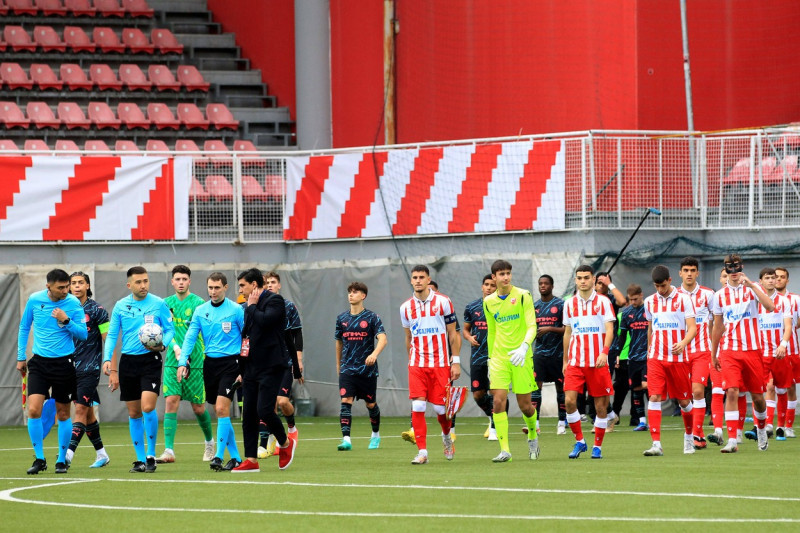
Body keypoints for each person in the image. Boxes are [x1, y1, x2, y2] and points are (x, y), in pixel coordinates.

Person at [102, 266, 175, 473]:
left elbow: (170, 330)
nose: (143, 285)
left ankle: (151, 455)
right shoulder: (120, 306)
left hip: (150, 360)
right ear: (129, 285)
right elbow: (112, 335)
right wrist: (108, 360)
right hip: (128, 362)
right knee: (134, 412)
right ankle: (140, 459)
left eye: (146, 281)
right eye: (138, 282)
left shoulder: (159, 303)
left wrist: (162, 345)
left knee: (148, 407)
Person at [18, 269, 88, 475]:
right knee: (33, 410)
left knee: (64, 413)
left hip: (64, 363)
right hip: (39, 363)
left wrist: (66, 321)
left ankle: (60, 460)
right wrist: (21, 356)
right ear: (48, 286)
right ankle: (40, 458)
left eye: (67, 286)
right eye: (61, 287)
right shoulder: (34, 300)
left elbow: (83, 334)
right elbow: (24, 328)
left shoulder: (73, 304)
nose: (66, 290)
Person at [177, 272, 245, 471]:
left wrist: (244, 367)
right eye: (210, 288)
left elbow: (246, 338)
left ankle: (217, 456)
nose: (213, 291)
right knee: (219, 411)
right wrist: (183, 362)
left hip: (232, 364)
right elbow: (190, 338)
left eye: (217, 287)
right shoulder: (200, 311)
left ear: (225, 287)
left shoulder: (236, 310)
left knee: (222, 410)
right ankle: (236, 457)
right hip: (210, 365)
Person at [234, 268, 297, 471]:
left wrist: (251, 306)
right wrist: (241, 368)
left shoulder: (274, 301)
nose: (240, 289)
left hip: (271, 366)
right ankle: (251, 460)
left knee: (264, 410)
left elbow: (265, 321)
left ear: (254, 285)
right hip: (251, 366)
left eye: (243, 285)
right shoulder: (247, 307)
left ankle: (286, 443)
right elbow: (248, 336)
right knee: (249, 414)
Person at [710, 254, 773, 453]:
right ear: (725, 270)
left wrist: (752, 286)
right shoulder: (719, 296)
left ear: (742, 268)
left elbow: (770, 307)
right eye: (729, 268)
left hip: (753, 350)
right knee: (731, 391)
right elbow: (717, 327)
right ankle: (732, 440)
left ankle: (761, 429)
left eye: (736, 268)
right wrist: (714, 353)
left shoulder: (753, 288)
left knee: (757, 398)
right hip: (729, 350)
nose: (734, 272)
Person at [399, 265, 460, 465]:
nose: (418, 280)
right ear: (411, 280)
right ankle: (422, 452)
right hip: (417, 364)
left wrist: (456, 361)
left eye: (421, 277)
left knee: (441, 410)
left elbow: (453, 333)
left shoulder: (443, 302)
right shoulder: (405, 307)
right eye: (414, 277)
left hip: (441, 363)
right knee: (417, 404)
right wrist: (411, 360)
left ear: (428, 279)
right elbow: (408, 337)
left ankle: (446, 437)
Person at [483, 260, 540, 462]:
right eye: (501, 274)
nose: (505, 277)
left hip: (522, 357)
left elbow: (532, 326)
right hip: (499, 358)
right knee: (498, 400)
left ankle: (533, 434)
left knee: (525, 405)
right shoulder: (488, 302)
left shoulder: (523, 295)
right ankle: (505, 450)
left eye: (508, 273)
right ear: (494, 277)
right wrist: (490, 359)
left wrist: (524, 347)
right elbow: (492, 331)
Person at [157, 265, 215, 464]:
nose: (181, 282)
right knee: (171, 401)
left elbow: (204, 332)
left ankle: (209, 442)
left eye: (184, 279)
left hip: (196, 362)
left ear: (189, 281)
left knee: (198, 408)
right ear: (172, 282)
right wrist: (174, 346)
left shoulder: (199, 304)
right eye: (177, 279)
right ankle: (169, 450)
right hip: (173, 361)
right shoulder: (166, 304)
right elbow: (165, 331)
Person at [641, 266, 697, 457]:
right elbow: (650, 328)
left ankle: (689, 437)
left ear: (670, 280)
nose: (660, 289)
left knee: (684, 401)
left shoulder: (684, 299)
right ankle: (656, 444)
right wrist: (649, 350)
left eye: (663, 285)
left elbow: (692, 328)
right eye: (657, 286)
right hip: (656, 357)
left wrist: (683, 343)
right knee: (655, 397)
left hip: (679, 358)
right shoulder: (649, 301)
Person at [562, 265, 615, 459]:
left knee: (600, 407)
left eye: (586, 277)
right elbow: (568, 333)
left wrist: (604, 352)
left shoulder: (603, 302)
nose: (583, 281)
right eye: (579, 278)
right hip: (576, 362)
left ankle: (597, 447)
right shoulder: (569, 304)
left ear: (593, 279)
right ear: (575, 280)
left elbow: (610, 330)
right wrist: (565, 360)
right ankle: (579, 442)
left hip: (598, 363)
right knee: (569, 401)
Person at [335, 281, 388, 450]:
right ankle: (346, 440)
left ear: (363, 296)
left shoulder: (372, 317)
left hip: (367, 370)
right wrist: (339, 365)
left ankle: (375, 435)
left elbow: (383, 339)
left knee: (370, 404)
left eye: (355, 292)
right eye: (350, 292)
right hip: (347, 368)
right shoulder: (341, 318)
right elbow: (338, 343)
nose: (351, 294)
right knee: (345, 400)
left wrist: (374, 354)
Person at [65, 272, 111, 468]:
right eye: (73, 283)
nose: (76, 286)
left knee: (80, 410)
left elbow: (107, 338)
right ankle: (102, 454)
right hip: (67, 368)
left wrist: (110, 364)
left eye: (80, 282)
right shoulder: (62, 309)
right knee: (89, 414)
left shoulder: (97, 310)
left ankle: (66, 457)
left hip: (90, 368)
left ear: (87, 285)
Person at [257, 271, 303, 458]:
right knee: (268, 404)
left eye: (273, 282)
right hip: (265, 362)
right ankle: (267, 442)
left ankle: (291, 428)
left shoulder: (288, 307)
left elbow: (297, 334)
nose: (269, 285)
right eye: (266, 282)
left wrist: (298, 361)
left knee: (282, 401)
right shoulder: (258, 306)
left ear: (279, 285)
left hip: (286, 362)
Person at [744, 268, 792, 441]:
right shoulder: (755, 301)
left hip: (778, 352)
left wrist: (783, 344)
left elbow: (788, 326)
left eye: (773, 278)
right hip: (760, 353)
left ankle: (781, 425)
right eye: (768, 278)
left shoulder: (784, 301)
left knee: (781, 388)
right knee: (764, 388)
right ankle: (762, 426)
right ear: (761, 281)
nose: (772, 280)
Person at [676, 257, 716, 448]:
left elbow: (716, 322)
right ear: (680, 273)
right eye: (686, 270)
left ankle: (696, 434)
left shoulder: (708, 294)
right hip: (680, 353)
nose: (689, 273)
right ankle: (696, 432)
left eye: (693, 270)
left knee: (698, 391)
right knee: (685, 396)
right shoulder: (673, 295)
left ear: (698, 273)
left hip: (701, 351)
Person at [463, 274, 498, 440]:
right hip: (477, 356)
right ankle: (492, 416)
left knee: (495, 392)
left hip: (496, 356)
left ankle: (494, 428)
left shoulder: (501, 306)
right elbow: (465, 329)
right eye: (487, 285)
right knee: (478, 394)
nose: (489, 288)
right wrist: (469, 338)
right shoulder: (472, 307)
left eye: (492, 285)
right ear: (482, 287)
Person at [532, 274, 566, 435]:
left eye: (546, 283)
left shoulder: (560, 305)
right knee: (535, 388)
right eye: (540, 283)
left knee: (561, 388)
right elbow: (530, 328)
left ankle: (561, 422)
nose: (543, 286)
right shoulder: (535, 306)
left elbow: (567, 330)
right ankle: (535, 423)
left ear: (552, 286)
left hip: (557, 354)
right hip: (539, 353)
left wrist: (550, 329)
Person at [611, 285, 648, 430]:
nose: (633, 302)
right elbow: (622, 336)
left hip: (648, 356)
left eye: (635, 299)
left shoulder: (649, 310)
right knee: (636, 388)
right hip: (633, 357)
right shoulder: (626, 314)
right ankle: (642, 422)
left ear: (641, 295)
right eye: (630, 299)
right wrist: (618, 354)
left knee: (647, 386)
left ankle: (653, 416)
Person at [775, 267, 799, 438]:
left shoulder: (796, 299)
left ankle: (787, 425)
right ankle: (771, 425)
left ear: (787, 280)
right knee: (771, 387)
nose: (778, 280)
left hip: (792, 350)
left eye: (782, 277)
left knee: (790, 388)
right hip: (770, 351)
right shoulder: (764, 299)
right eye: (776, 277)